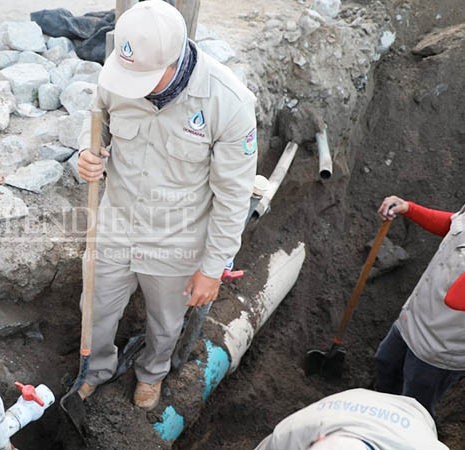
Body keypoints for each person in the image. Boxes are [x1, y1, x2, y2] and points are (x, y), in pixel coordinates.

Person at [74, 0, 257, 410]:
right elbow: (95, 129)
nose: (129, 85)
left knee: (165, 321)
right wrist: (87, 157)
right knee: (96, 307)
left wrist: (213, 268)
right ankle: (96, 370)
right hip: (117, 222)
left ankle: (151, 374)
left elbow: (233, 196)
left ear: (174, 62)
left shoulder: (227, 102)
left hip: (178, 235)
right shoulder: (117, 75)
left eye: (143, 78)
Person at [373, 196, 465, 416]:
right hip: (411, 320)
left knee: (414, 409)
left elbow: (456, 300)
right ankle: (378, 417)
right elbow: (454, 225)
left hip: (439, 348)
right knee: (385, 365)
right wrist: (410, 209)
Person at [254, 388, 448, 450]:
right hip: (351, 401)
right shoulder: (287, 435)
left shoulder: (420, 445)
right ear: (319, 439)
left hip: (413, 415)